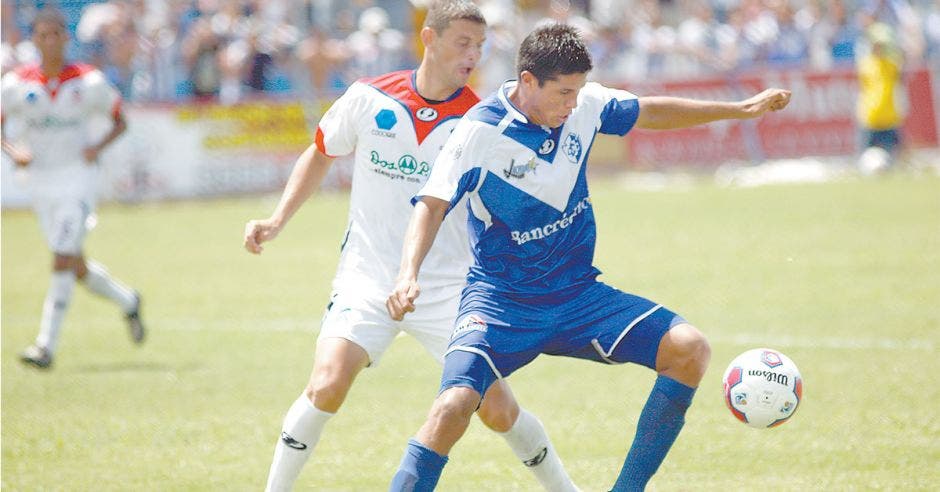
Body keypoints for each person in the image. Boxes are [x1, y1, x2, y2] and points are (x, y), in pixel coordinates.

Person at [385, 22, 791, 491]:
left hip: (578, 296)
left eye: (578, 91)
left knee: (689, 349)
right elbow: (432, 204)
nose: (572, 104)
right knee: (453, 407)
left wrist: (738, 110)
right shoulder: (477, 133)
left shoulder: (584, 106)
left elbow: (649, 111)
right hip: (502, 303)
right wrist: (406, 275)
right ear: (528, 80)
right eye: (563, 93)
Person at [243, 2, 576, 490]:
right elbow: (321, 151)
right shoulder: (368, 97)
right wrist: (276, 220)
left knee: (499, 411)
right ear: (429, 38)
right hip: (369, 277)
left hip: (450, 289)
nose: (473, 55)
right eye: (463, 43)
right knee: (327, 383)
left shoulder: (483, 120)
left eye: (480, 47)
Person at [1, 9, 145, 370]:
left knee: (62, 258)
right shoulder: (16, 85)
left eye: (56, 34)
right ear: (33, 39)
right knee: (74, 265)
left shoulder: (89, 81)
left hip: (78, 179)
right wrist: (13, 150)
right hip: (40, 182)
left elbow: (120, 120)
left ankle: (45, 346)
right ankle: (129, 301)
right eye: (43, 35)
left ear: (66, 38)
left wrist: (97, 147)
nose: (50, 41)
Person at [856, 22, 904, 171]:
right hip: (870, 118)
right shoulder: (865, 64)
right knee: (866, 159)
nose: (879, 48)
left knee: (893, 159)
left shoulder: (893, 64)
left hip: (889, 118)